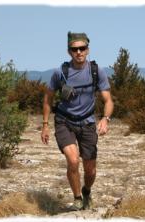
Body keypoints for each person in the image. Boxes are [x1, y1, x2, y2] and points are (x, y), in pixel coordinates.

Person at [41, 31, 114, 211]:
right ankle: (77, 198)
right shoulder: (60, 73)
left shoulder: (97, 71)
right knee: (73, 161)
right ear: (69, 51)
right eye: (75, 49)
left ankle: (86, 191)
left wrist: (105, 119)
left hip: (87, 122)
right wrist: (45, 125)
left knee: (90, 170)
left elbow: (108, 100)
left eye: (82, 48)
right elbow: (48, 98)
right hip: (64, 121)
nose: (79, 52)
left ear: (88, 50)